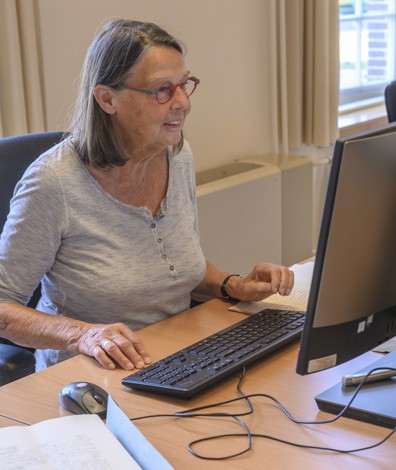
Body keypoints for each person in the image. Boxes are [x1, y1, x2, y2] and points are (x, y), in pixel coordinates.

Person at [0, 19, 294, 372]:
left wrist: (233, 285)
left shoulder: (176, 154)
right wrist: (82, 335)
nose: (182, 102)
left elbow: (174, 269)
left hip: (174, 352)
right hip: (88, 373)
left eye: (184, 85)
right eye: (162, 90)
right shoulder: (54, 183)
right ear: (107, 98)